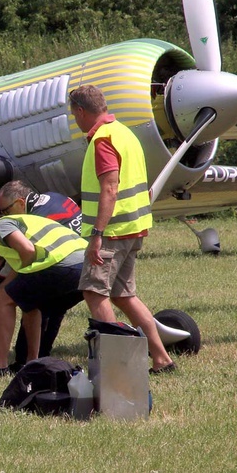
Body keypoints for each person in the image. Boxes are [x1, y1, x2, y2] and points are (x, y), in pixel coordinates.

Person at [69, 84, 176, 374]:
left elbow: (109, 189)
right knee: (124, 296)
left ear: (80, 111)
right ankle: (162, 358)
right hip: (133, 227)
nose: (75, 121)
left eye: (74, 115)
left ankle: (120, 364)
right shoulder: (124, 133)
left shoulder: (102, 139)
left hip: (112, 232)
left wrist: (97, 235)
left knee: (93, 293)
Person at [0, 180, 83, 369]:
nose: (3, 216)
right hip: (88, 258)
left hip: (66, 263)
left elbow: (26, 255)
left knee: (23, 300)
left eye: (5, 211)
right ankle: (35, 360)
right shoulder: (52, 197)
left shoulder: (21, 222)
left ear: (20, 202)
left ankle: (9, 364)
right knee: (35, 301)